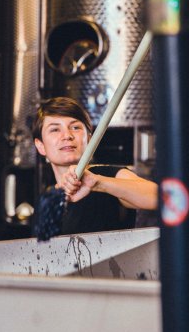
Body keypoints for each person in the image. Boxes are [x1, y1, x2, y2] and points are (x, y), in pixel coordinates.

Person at [32, 96, 158, 235]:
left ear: (90, 139)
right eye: (55, 129)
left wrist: (98, 183)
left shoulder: (107, 175)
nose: (67, 135)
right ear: (40, 146)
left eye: (75, 127)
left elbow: (160, 197)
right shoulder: (47, 199)